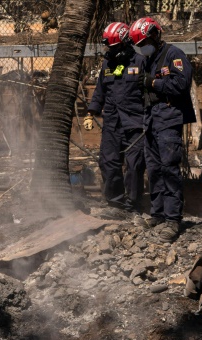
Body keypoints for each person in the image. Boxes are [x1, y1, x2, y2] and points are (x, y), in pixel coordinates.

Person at [129, 17, 195, 242]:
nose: (142, 47)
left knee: (169, 169)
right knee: (154, 169)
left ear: (156, 35)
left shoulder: (174, 55)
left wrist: (154, 83)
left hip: (168, 120)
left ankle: (172, 219)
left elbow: (181, 84)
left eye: (144, 42)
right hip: (151, 121)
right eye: (139, 45)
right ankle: (157, 213)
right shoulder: (148, 59)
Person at [85, 22, 147, 216]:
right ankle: (115, 204)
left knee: (135, 165)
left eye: (113, 47)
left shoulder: (140, 61)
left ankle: (132, 205)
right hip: (112, 122)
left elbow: (151, 92)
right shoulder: (108, 64)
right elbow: (100, 91)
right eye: (108, 47)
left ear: (125, 43)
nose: (110, 51)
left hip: (136, 123)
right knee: (108, 162)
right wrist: (91, 113)